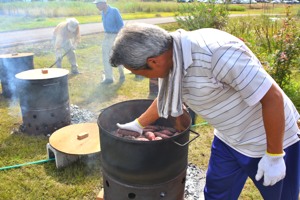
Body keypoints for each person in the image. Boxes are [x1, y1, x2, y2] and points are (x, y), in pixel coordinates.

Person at [109, 23, 300, 200]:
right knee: (216, 195)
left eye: (140, 74)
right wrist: (138, 124)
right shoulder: (171, 57)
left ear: (153, 61)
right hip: (228, 139)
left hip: (268, 139)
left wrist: (274, 155)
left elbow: (273, 98)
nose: (141, 78)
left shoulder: (217, 53)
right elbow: (165, 97)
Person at [93, 0, 125, 85]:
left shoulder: (114, 11)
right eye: (96, 4)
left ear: (104, 3)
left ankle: (122, 74)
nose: (96, 6)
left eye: (98, 4)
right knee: (105, 56)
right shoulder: (103, 12)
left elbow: (121, 25)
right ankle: (109, 78)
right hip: (107, 36)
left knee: (117, 55)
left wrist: (120, 37)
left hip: (115, 35)